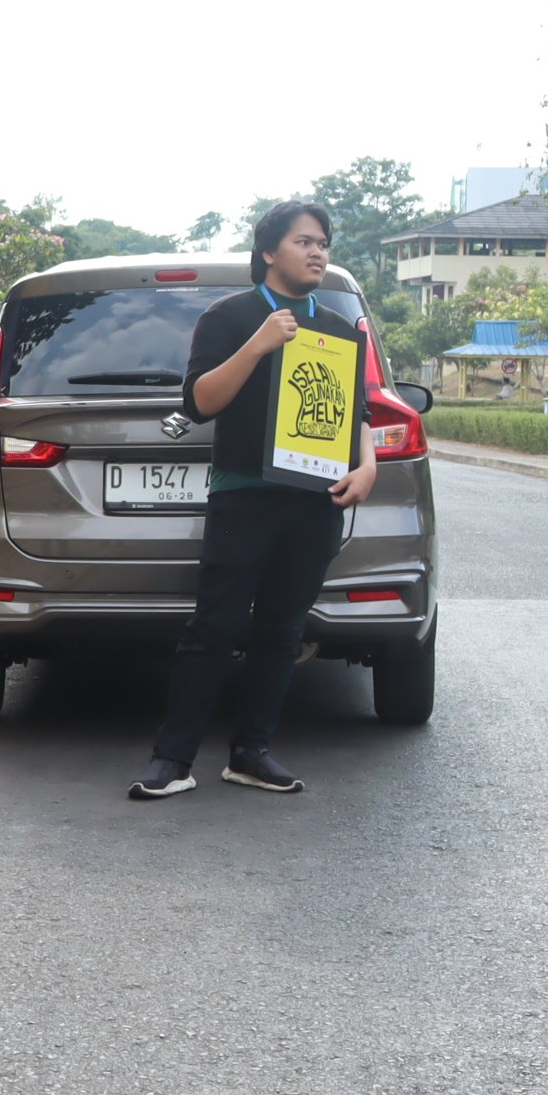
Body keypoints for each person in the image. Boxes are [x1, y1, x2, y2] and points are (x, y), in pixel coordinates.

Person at [128, 199, 376, 801]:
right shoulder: (230, 317)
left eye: (323, 242)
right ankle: (173, 759)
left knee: (282, 633)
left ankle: (251, 752)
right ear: (269, 252)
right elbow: (200, 403)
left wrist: (367, 466)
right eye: (303, 242)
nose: (317, 252)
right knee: (212, 628)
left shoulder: (340, 331)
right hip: (245, 498)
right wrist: (261, 344)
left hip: (316, 502)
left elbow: (357, 416)